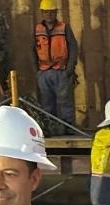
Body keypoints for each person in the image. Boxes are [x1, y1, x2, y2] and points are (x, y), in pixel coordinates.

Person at [32, 0, 77, 133]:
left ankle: (67, 128)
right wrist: (37, 71)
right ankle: (49, 128)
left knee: (64, 101)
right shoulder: (37, 29)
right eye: (46, 12)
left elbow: (73, 47)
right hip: (44, 71)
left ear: (56, 12)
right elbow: (32, 49)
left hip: (61, 70)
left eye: (52, 12)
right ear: (42, 13)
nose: (49, 15)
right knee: (47, 102)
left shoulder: (64, 27)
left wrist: (69, 68)